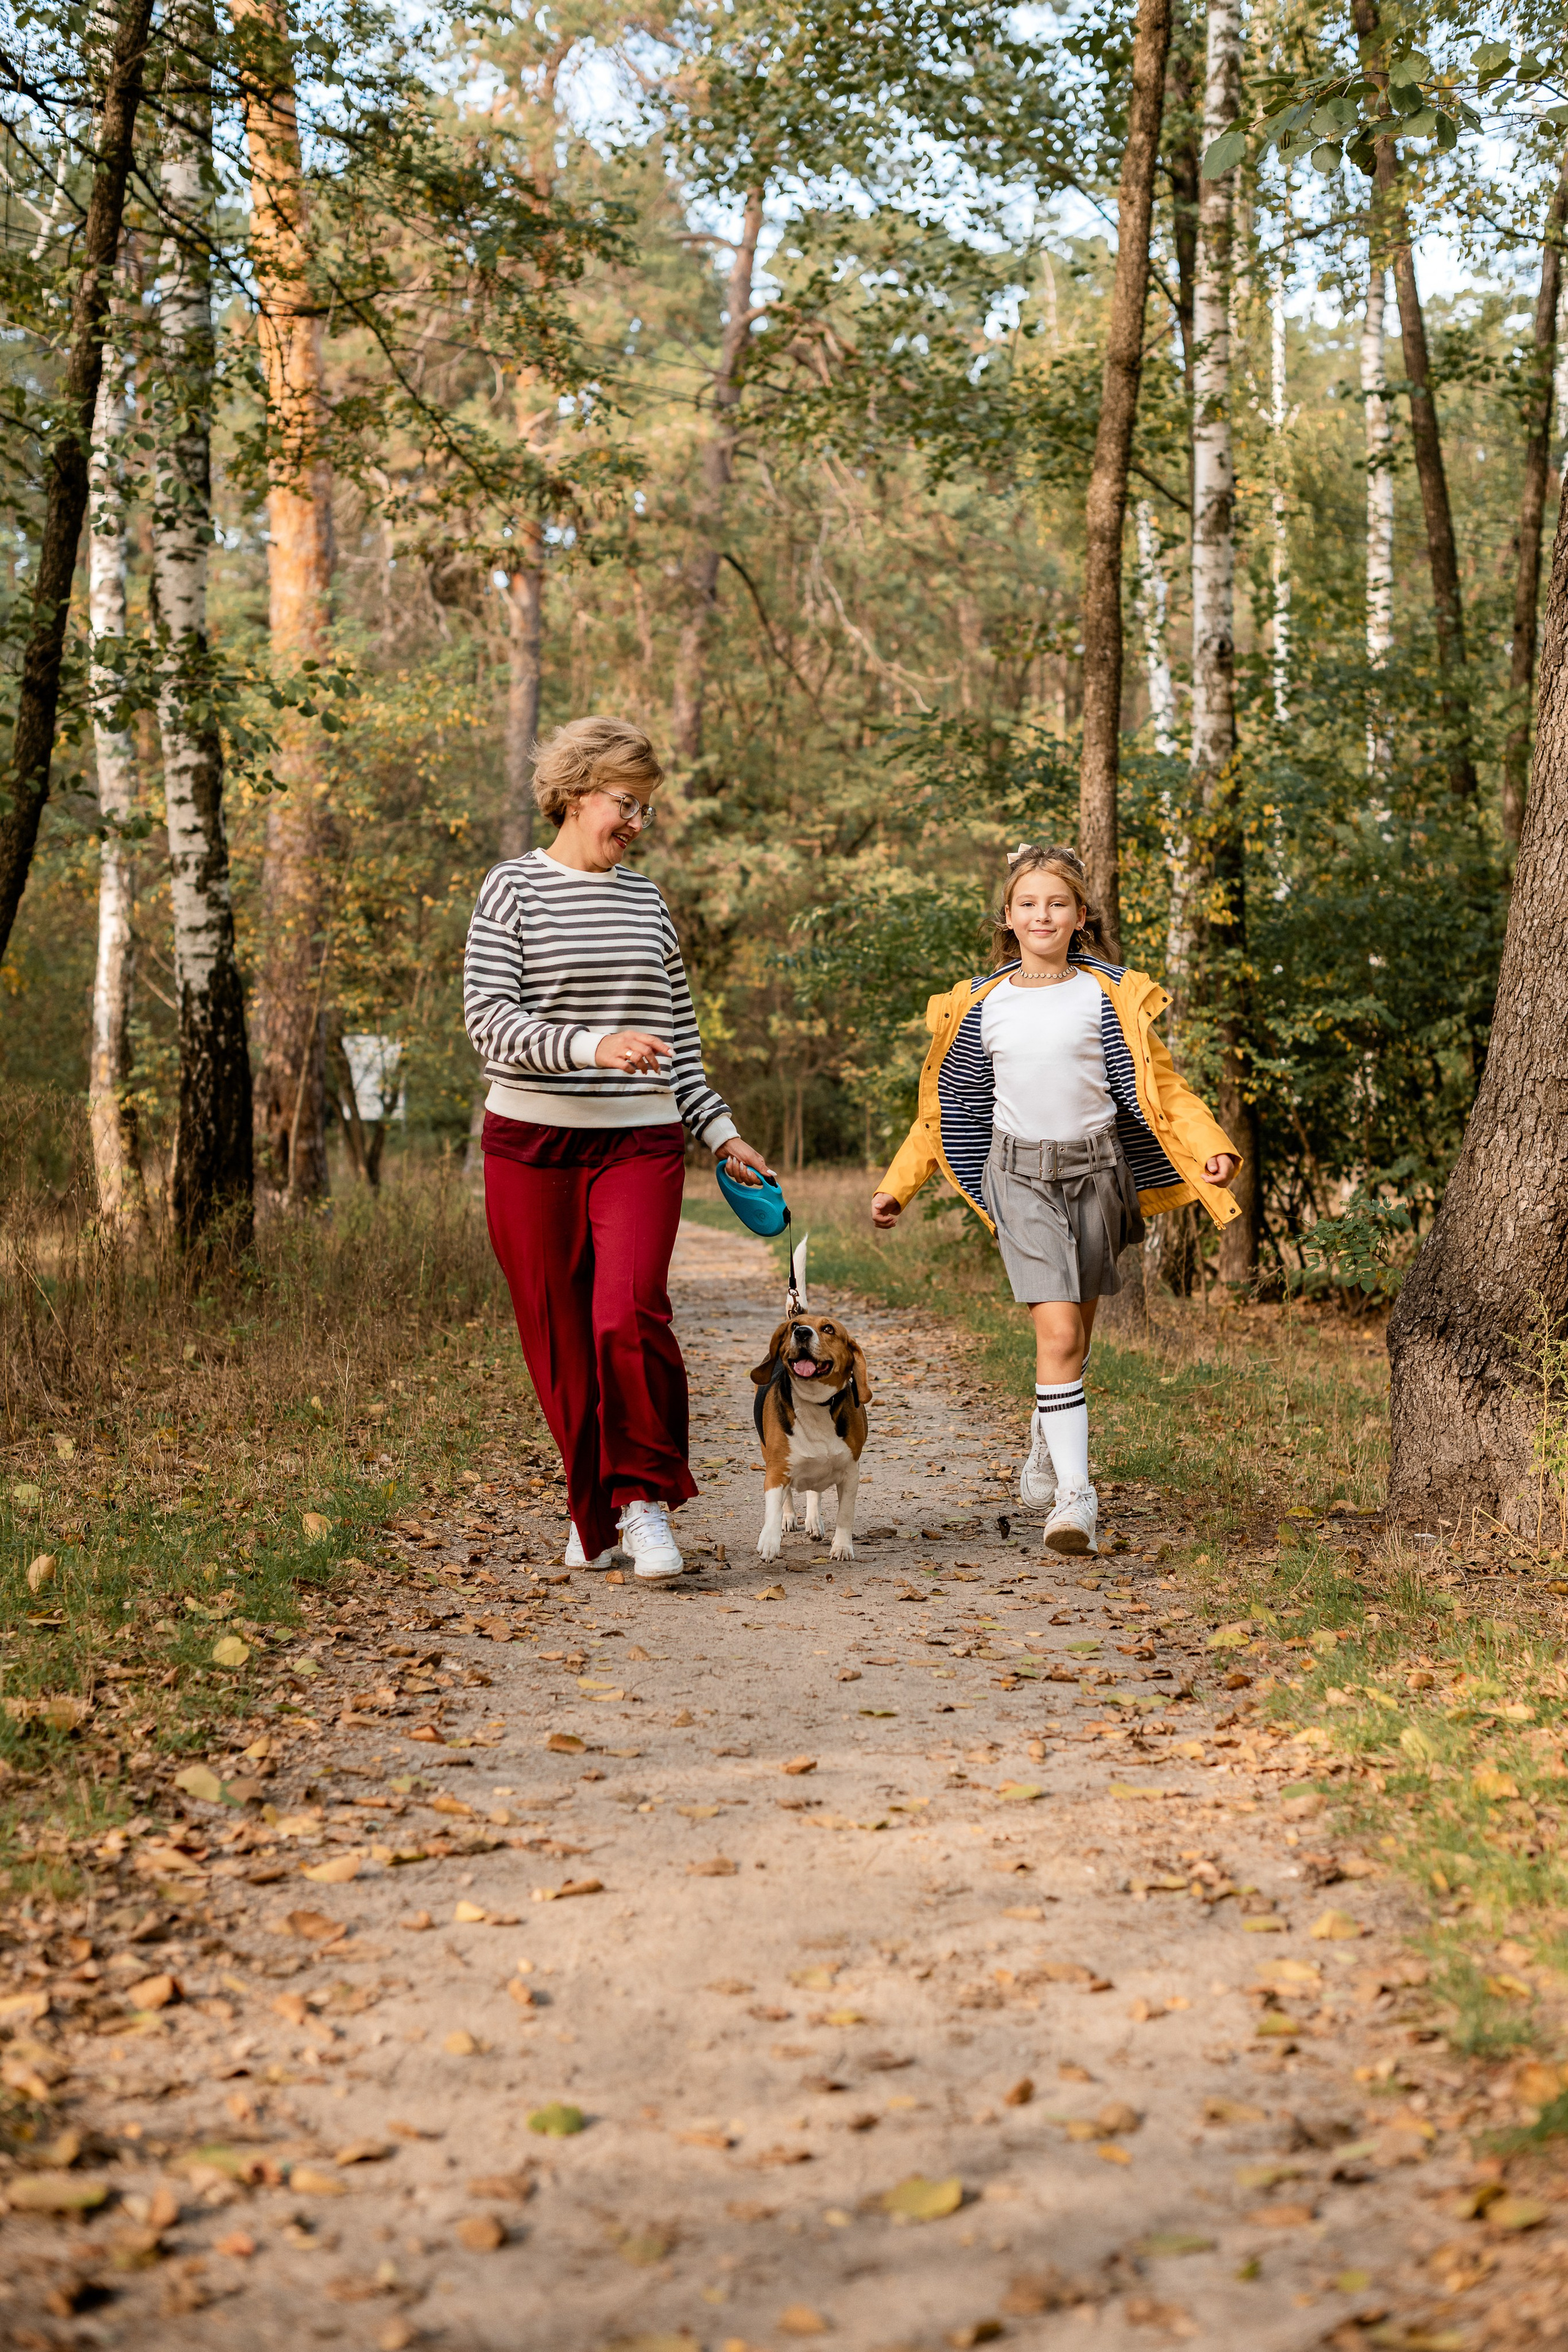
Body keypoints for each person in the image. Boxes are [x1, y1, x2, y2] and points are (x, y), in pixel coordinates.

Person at [464, 715, 771, 1582]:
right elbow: (488, 1023)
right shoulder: (511, 891)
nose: (637, 823)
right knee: (559, 1339)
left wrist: (721, 1131)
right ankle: (589, 1505)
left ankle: (641, 1503)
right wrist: (592, 1044)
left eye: (646, 809)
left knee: (628, 1314)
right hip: (529, 1143)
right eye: (624, 804)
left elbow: (679, 1040)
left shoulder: (645, 900)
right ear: (572, 793)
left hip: (638, 1138)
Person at [869, 843, 1241, 1558]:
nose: (1043, 915)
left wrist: (1209, 1145)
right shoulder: (980, 1006)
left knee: (1078, 1338)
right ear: (1007, 918)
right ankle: (1077, 1496)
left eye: (1058, 903)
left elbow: (1163, 1091)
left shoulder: (1109, 995)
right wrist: (897, 1186)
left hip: (1099, 1172)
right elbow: (946, 1113)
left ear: (1080, 917)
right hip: (1017, 1174)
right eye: (1028, 904)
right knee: (1060, 1334)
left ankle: (1046, 1437)